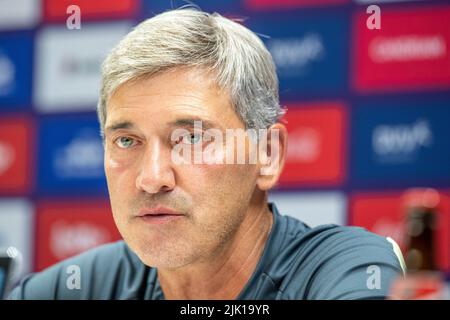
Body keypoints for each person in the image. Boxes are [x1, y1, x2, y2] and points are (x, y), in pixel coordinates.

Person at [9, 8, 404, 300]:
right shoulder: (80, 286)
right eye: (127, 141)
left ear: (267, 153)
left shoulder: (344, 271)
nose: (152, 177)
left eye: (192, 137)